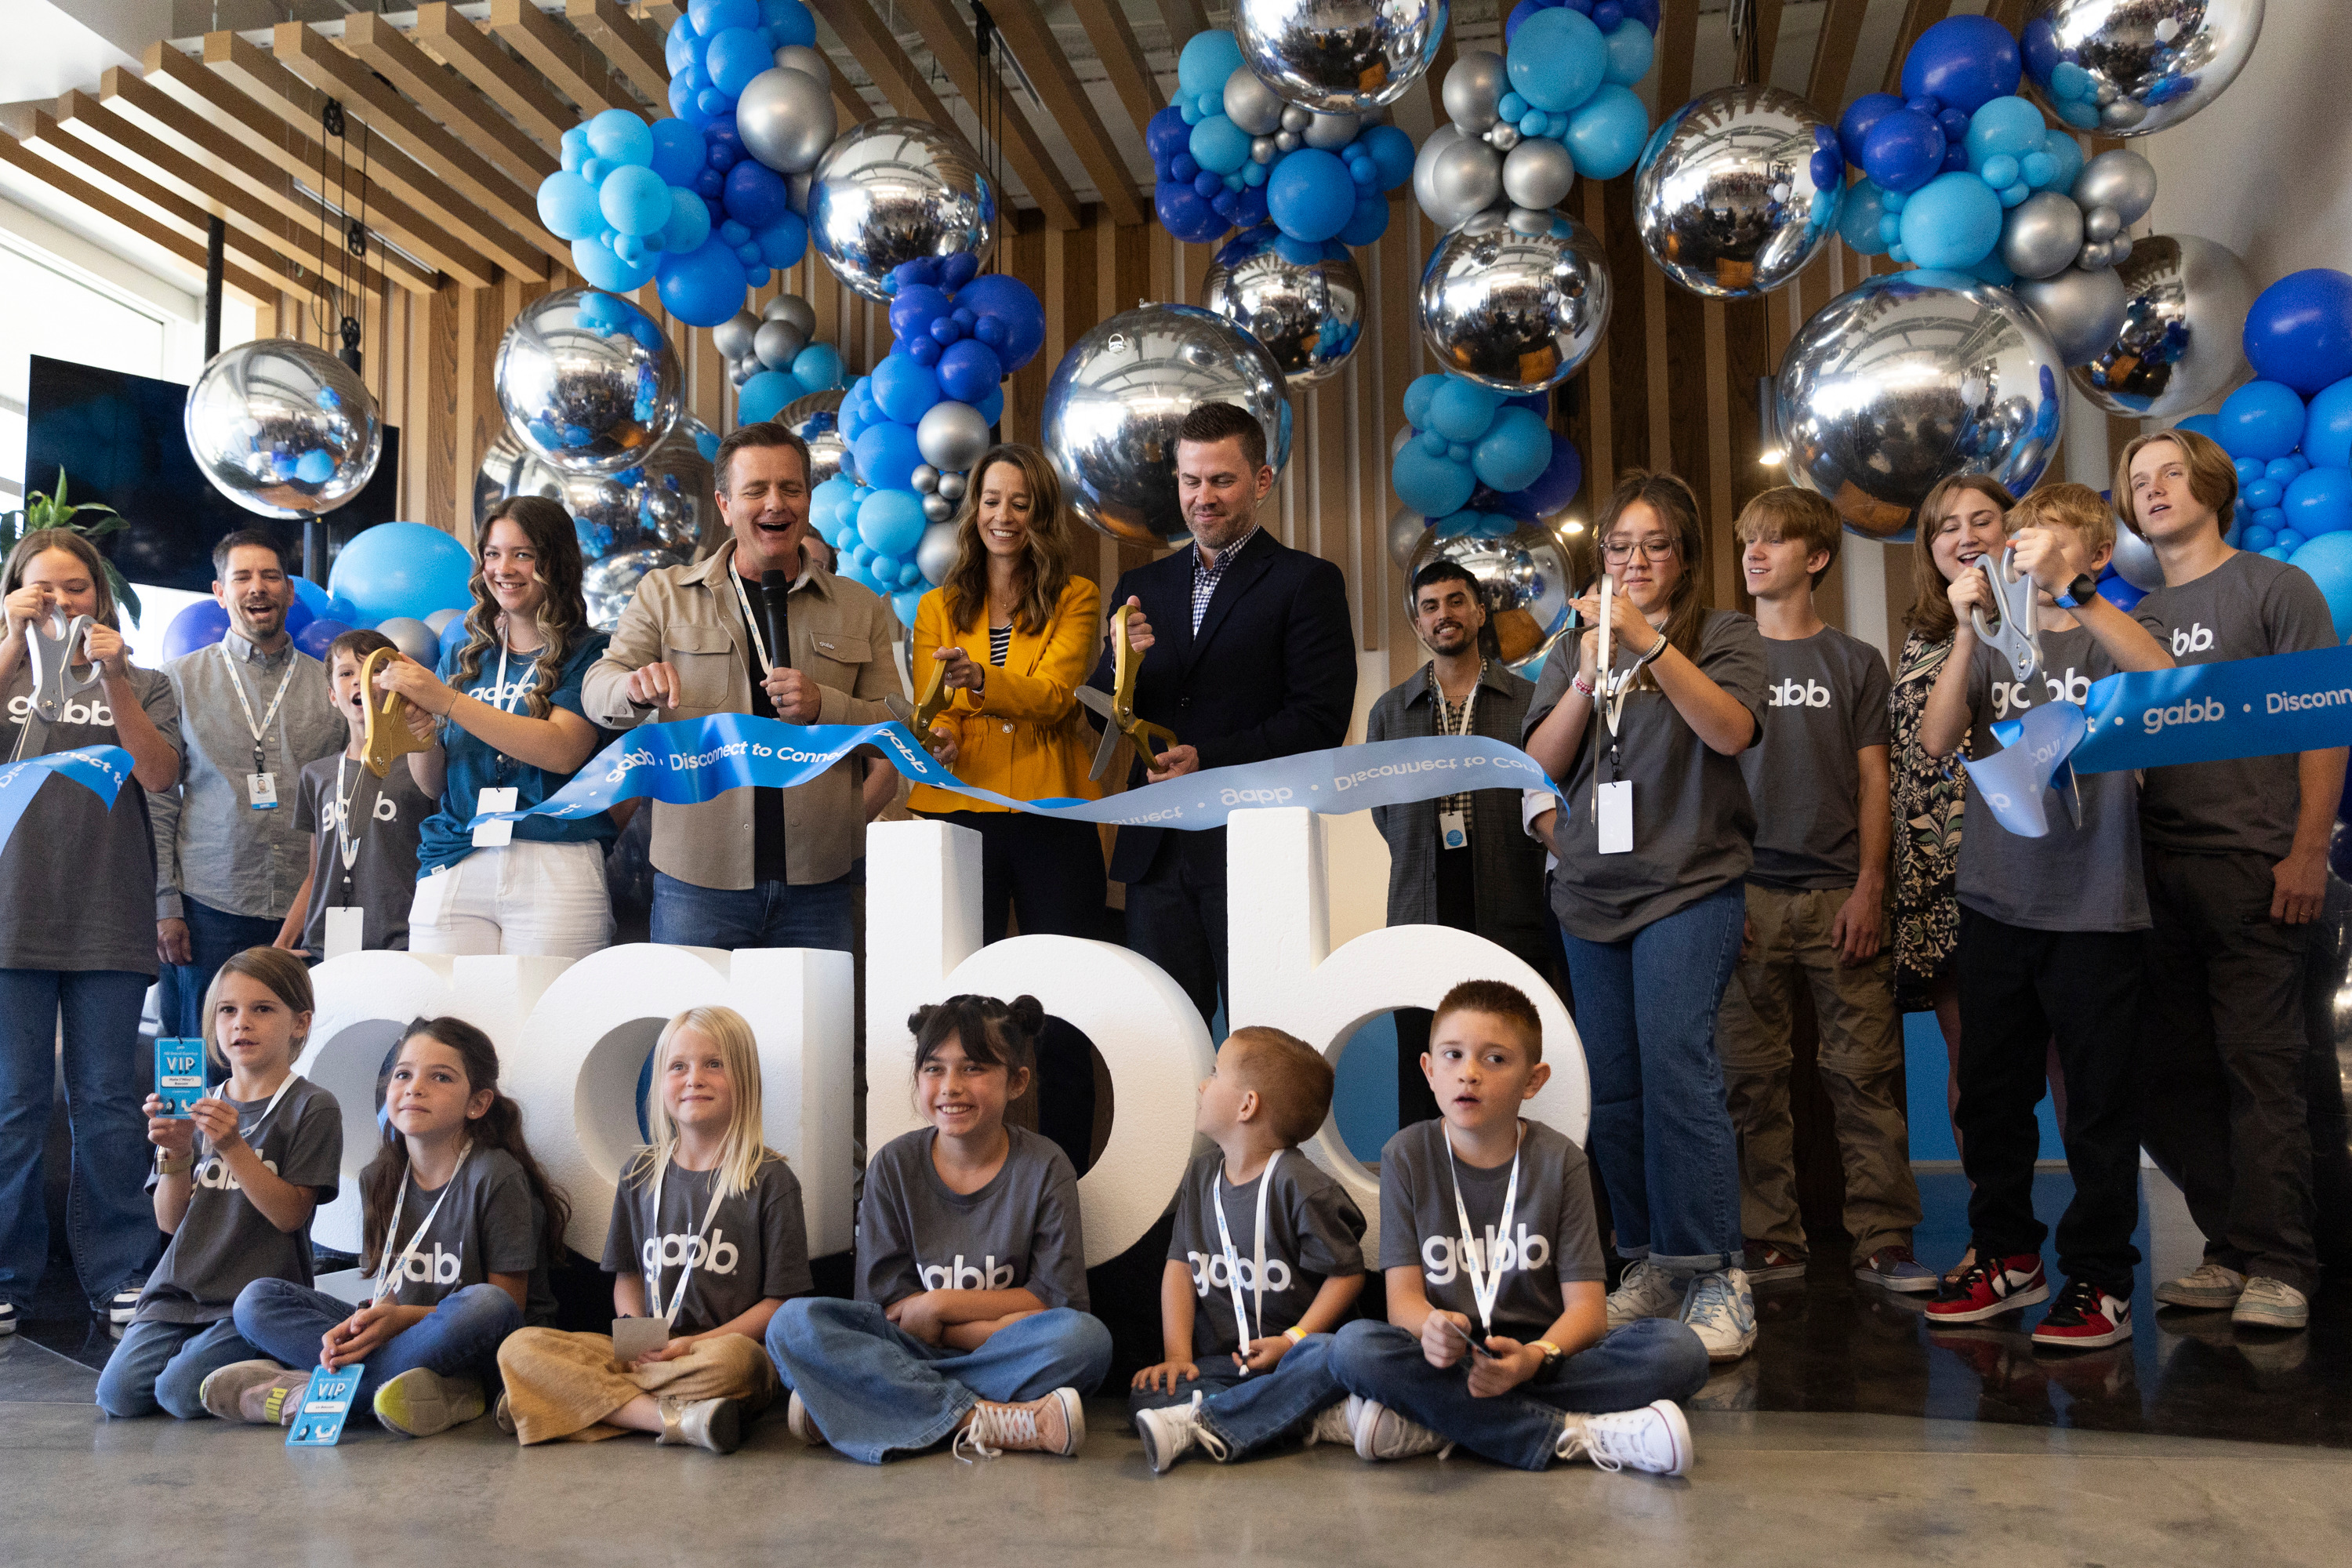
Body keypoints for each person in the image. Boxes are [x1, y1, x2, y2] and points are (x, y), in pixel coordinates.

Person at [1917, 483, 2172, 1349]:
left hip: (2096, 905)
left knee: (2099, 1106)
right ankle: (2006, 1254)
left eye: (2047, 537)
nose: (2022, 548)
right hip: (1997, 897)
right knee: (1992, 1094)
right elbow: (1935, 738)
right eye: (2022, 537)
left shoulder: (2109, 630)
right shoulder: (1998, 638)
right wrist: (1965, 629)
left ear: (2096, 552)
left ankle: (2100, 1277)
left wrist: (2078, 593)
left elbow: (2167, 687)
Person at [1520, 470, 1766, 1363]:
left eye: (1653, 545)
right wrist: (1589, 672)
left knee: (1677, 1062)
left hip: (1689, 883)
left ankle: (1716, 1270)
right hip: (1590, 890)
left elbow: (1732, 731)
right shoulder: (1574, 644)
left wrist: (1648, 643)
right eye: (1618, 547)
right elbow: (1539, 759)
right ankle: (1650, 1261)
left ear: (1685, 558)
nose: (1633, 561)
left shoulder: (1723, 636)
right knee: (1614, 1085)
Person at [2117, 428, 2345, 1332]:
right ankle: (2230, 1245)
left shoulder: (2274, 587)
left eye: (2171, 472)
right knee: (2177, 1079)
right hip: (2158, 876)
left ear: (2212, 486)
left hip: (2257, 865)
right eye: (2139, 480)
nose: (2155, 488)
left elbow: (2324, 720)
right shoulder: (2133, 614)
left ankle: (2286, 1261)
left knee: (2264, 1074)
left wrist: (2308, 848)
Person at [585, 423, 940, 952]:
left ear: (808, 498)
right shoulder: (665, 594)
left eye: (791, 488)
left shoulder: (859, 605)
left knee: (818, 1037)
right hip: (697, 881)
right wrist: (634, 689)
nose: (776, 503)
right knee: (696, 1034)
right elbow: (598, 689)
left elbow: (898, 732)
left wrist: (827, 705)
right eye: (756, 490)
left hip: (820, 883)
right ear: (725, 504)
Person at [1325, 981, 1706, 1474]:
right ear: (1429, 1070)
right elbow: (1403, 1304)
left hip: (1543, 1362)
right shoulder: (1407, 1155)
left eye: (1496, 1059)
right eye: (1453, 1055)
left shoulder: (1561, 1161)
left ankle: (1437, 1421)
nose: (1469, 1074)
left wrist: (1534, 1357)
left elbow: (1588, 1313)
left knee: (1680, 1352)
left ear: (1533, 1080)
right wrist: (1433, 1329)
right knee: (1354, 1348)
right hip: (1448, 1361)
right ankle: (1577, 1435)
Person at [1716, 488, 1929, 1293]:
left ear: (1816, 556)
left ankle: (1885, 1238)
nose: (1755, 553)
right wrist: (1720, 892)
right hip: (1745, 896)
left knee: (1865, 1076)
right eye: (1748, 539)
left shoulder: (1854, 661)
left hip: (1842, 893)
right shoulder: (1722, 658)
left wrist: (1872, 886)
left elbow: (1879, 781)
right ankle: (1770, 1235)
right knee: (1750, 1079)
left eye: (1773, 539)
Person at [1092, 402, 1356, 1028]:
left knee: (1264, 1041)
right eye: (1190, 481)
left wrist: (1208, 761)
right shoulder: (1142, 586)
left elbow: (1319, 721)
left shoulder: (1306, 581)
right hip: (1155, 855)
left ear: (1262, 482)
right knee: (1164, 1046)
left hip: (1256, 850)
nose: (1202, 498)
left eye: (1221, 480)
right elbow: (1103, 714)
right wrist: (1116, 664)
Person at [766, 995, 1110, 1463]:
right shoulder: (893, 1164)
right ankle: (991, 1420)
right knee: (791, 1326)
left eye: (974, 1069)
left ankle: (860, 1403)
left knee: (1085, 1342)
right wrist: (970, 1322)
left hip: (989, 1352)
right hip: (906, 1349)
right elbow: (884, 1310)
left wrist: (941, 1307)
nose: (951, 1087)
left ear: (1017, 1082)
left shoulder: (1046, 1167)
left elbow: (1052, 1300)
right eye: (934, 1069)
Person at [211, 1017, 568, 1436]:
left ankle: (310, 1394)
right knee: (257, 1300)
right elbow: (390, 1292)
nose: (415, 1087)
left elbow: (510, 1304)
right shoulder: (379, 1177)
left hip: (487, 1345)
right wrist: (371, 1323)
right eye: (403, 1074)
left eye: (441, 1077)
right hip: (408, 1342)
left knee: (484, 1304)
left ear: (478, 1103)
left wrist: (399, 1321)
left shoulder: (495, 1175)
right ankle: (429, 1391)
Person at [0, 529, 183, 1339]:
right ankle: (7, 1272)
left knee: (108, 1100)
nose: (60, 601)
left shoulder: (142, 680)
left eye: (75, 587)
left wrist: (115, 678)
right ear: (15, 590)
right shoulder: (6, 667)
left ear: (100, 599)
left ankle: (121, 1269)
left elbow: (160, 773)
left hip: (109, 914)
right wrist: (9, 641)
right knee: (13, 1100)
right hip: (10, 916)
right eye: (42, 587)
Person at [907, 444, 1105, 1166]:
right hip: (957, 811)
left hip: (1051, 816)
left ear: (1040, 515)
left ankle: (1065, 1176)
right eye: (992, 500)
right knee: (964, 1002)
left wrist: (980, 687)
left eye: (1020, 503)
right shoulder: (937, 605)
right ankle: (970, 1167)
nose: (1003, 516)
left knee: (1068, 1005)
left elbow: (1055, 698)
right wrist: (949, 735)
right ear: (974, 510)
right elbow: (936, 710)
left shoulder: (1077, 597)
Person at [496, 1005, 808, 1454]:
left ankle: (564, 1402)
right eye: (678, 1066)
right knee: (520, 1348)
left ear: (745, 1080)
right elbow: (628, 1279)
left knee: (739, 1366)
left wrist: (690, 1346)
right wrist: (639, 1335)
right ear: (661, 1083)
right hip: (647, 1351)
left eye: (714, 1064)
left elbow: (780, 1304)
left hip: (715, 1352)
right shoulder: (639, 1173)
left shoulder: (771, 1179)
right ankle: (676, 1418)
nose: (693, 1078)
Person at [97, 948, 340, 1417]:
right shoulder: (196, 1102)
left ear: (300, 1023)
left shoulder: (312, 1106)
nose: (241, 1023)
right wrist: (178, 1151)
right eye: (227, 1010)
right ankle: (239, 1361)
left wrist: (231, 1145)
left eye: (262, 1009)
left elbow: (290, 1214)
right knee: (119, 1397)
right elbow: (170, 1222)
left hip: (249, 1300)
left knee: (179, 1394)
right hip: (179, 1291)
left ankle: (280, 1369)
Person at [373, 496, 614, 958]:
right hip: (456, 854)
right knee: (444, 1022)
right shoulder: (465, 653)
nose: (504, 568)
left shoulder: (594, 652)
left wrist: (444, 700)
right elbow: (432, 784)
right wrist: (421, 730)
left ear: (554, 562)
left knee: (543, 1023)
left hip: (554, 858)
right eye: (493, 553)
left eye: (523, 554)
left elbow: (562, 749)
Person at [1367, 560, 1555, 1127]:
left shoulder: (1528, 701)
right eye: (1430, 606)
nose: (1443, 615)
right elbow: (1383, 811)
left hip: (1510, 907)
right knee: (1423, 1073)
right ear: (1418, 624)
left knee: (1512, 1069)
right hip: (1420, 910)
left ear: (1478, 612)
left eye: (1455, 601)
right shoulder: (1390, 712)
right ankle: (1425, 1203)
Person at [1127, 1025, 1367, 1472]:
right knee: (1147, 1394)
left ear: (1247, 1105)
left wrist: (1293, 1340)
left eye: (1215, 1074)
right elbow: (1179, 1267)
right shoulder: (1201, 1178)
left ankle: (1214, 1419)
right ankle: (1300, 1417)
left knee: (1335, 1358)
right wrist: (1177, 1357)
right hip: (1225, 1364)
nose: (1202, 1084)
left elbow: (1348, 1272)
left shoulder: (1302, 1188)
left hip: (1297, 1359)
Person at [151, 530, 343, 1037]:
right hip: (208, 903)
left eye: (270, 576)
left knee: (300, 1052)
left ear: (290, 590)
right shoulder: (176, 680)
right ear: (220, 592)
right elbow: (159, 799)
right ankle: (178, 1121)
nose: (258, 587)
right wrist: (165, 906)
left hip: (307, 907)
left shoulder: (331, 685)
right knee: (192, 1053)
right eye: (243, 577)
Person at [273, 630, 434, 960]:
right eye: (347, 673)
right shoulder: (317, 775)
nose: (359, 681)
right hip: (327, 947)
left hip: (402, 944)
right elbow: (317, 874)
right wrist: (281, 948)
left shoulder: (423, 767)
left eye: (373, 670)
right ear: (333, 695)